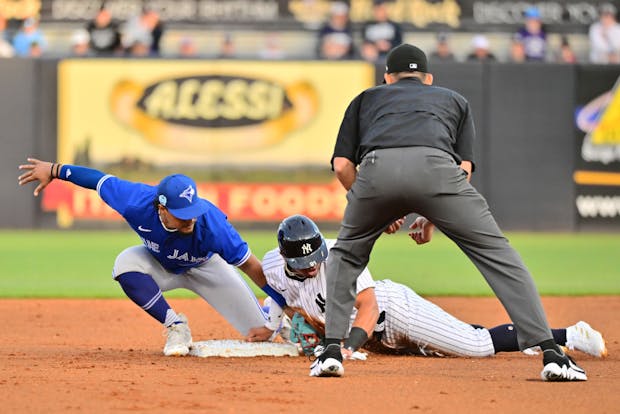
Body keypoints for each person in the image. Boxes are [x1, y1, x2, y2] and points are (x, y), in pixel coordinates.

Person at [313, 43, 589, 381]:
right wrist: (433, 215)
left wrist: (370, 205)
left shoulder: (366, 98)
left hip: (376, 173)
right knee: (498, 255)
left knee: (345, 255)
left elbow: (342, 166)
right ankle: (551, 353)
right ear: (427, 78)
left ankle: (330, 352)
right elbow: (464, 168)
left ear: (387, 78)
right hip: (440, 174)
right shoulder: (454, 99)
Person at [246, 215, 607, 365]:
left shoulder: (340, 258)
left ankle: (570, 334)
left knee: (475, 346)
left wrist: (344, 348)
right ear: (284, 256)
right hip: (377, 338)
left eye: (315, 259)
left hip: (393, 312)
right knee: (450, 344)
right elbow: (280, 295)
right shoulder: (276, 264)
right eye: (302, 263)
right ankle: (533, 340)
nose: (312, 266)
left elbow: (368, 307)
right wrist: (274, 322)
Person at [17, 158, 286, 356]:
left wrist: (285, 305)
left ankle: (270, 312)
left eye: (192, 209)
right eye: (182, 213)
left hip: (207, 268)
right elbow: (97, 180)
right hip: (160, 264)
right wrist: (54, 170)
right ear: (161, 208)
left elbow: (253, 267)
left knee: (263, 333)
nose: (190, 217)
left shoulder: (211, 224)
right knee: (124, 264)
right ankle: (175, 325)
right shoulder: (135, 201)